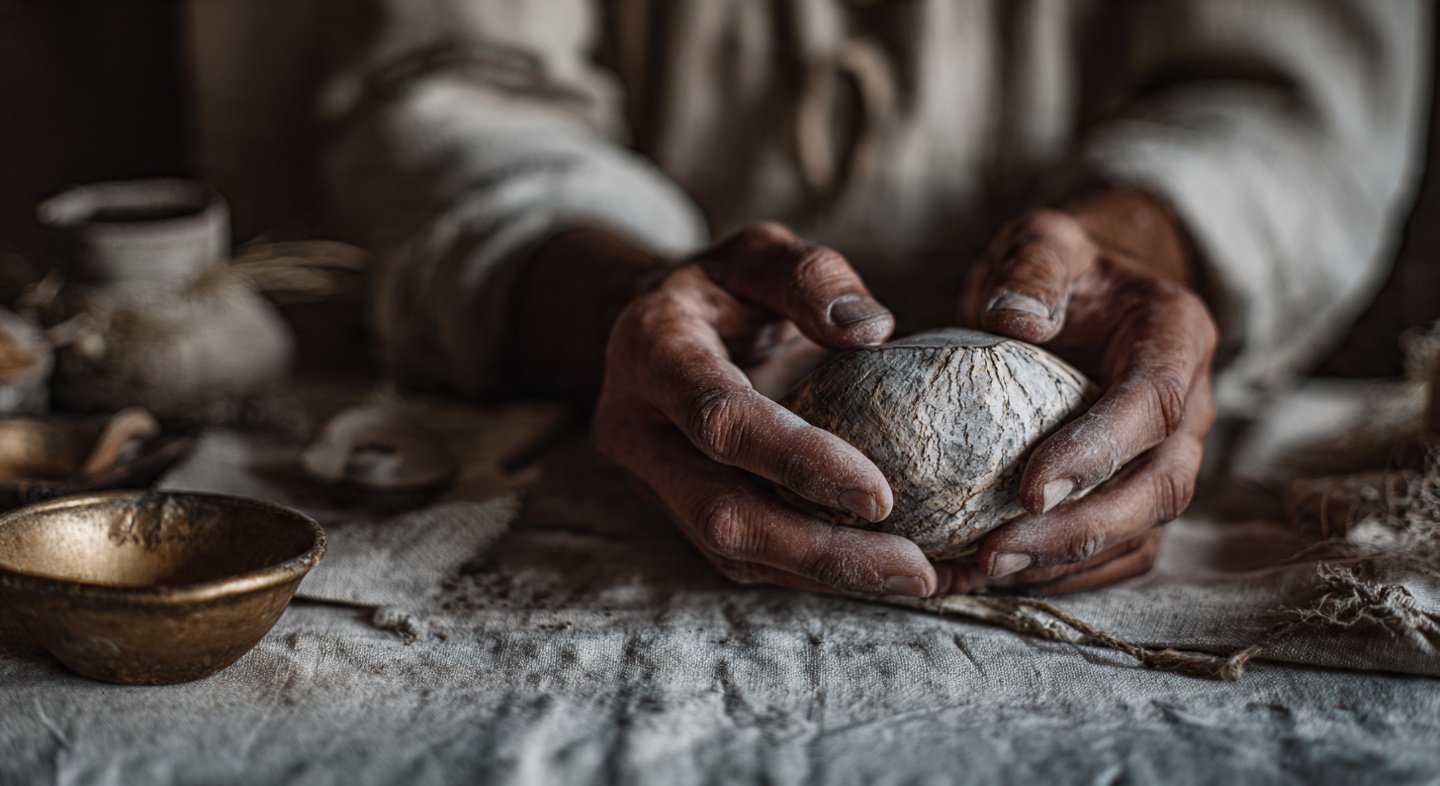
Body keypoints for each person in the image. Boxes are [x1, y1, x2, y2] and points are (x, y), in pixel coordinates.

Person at [192, 0, 1428, 597]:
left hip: (1072, 339)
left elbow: (1288, 99)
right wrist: (630, 304)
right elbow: (451, 85)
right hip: (628, 378)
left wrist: (1135, 247)